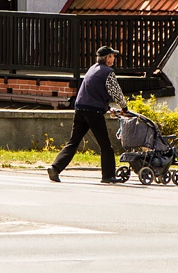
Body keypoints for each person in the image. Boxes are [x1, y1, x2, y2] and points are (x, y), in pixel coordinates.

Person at [48, 45, 128, 184]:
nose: (114, 58)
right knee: (106, 145)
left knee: (73, 142)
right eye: (112, 56)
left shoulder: (92, 69)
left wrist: (107, 107)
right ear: (107, 58)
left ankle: (55, 167)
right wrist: (124, 108)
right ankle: (108, 176)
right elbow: (116, 92)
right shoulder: (108, 72)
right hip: (94, 112)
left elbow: (93, 91)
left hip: (80, 108)